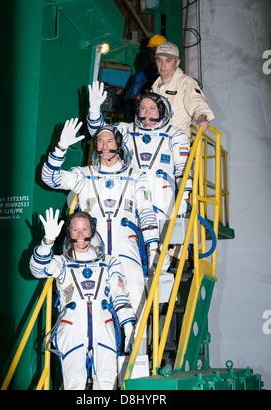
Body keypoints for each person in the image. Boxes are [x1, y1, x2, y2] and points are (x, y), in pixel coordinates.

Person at [41, 118, 160, 322]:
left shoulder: (136, 176)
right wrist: (60, 148)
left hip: (127, 252)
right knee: (94, 317)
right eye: (100, 142)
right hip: (92, 255)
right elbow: (50, 178)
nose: (105, 147)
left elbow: (148, 216)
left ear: (119, 144)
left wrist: (154, 253)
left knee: (136, 306)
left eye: (110, 141)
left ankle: (136, 352)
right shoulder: (85, 175)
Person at [30, 209, 135, 390]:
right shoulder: (61, 262)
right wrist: (47, 242)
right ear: (69, 233)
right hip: (72, 329)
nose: (80, 235)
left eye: (85, 230)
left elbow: (120, 294)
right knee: (74, 383)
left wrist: (128, 325)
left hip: (104, 327)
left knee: (107, 382)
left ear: (92, 231)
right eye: (75, 230)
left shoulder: (109, 262)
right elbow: (37, 270)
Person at [87, 81, 193, 241]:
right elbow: (100, 134)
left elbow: (183, 168)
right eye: (143, 108)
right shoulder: (127, 130)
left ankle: (162, 259)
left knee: (165, 234)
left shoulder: (176, 135)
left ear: (162, 110)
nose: (147, 113)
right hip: (131, 187)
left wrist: (184, 197)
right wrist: (94, 111)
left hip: (162, 190)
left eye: (152, 108)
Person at [151, 41, 215, 137]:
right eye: (159, 60)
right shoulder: (155, 86)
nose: (163, 65)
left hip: (176, 144)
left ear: (177, 62)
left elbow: (196, 101)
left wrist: (202, 117)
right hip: (155, 141)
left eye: (168, 61)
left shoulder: (186, 83)